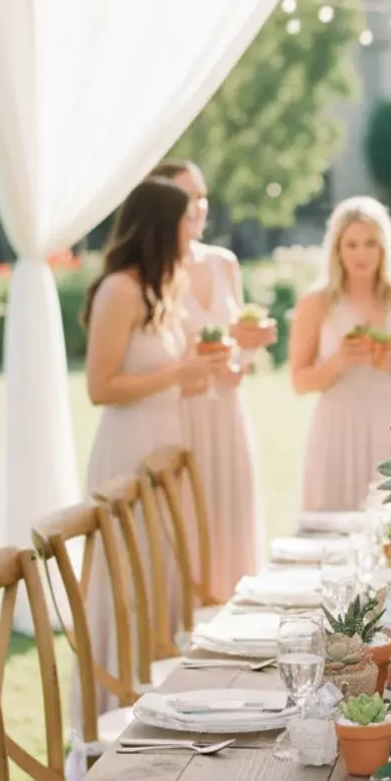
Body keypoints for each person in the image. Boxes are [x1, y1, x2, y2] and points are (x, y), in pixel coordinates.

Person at [78, 178, 221, 722]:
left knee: (161, 576)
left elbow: (166, 379)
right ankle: (110, 710)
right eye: (187, 220)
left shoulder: (163, 287)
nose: (196, 229)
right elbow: (100, 387)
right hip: (127, 451)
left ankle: (158, 708)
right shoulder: (120, 289)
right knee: (123, 584)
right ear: (162, 227)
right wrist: (179, 370)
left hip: (166, 445)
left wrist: (202, 371)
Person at [148, 159, 272, 601]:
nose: (199, 206)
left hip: (228, 415)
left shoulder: (224, 263)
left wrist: (250, 346)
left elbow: (242, 352)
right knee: (183, 530)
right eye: (187, 197)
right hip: (177, 416)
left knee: (231, 524)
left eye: (202, 195)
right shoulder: (148, 270)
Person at [291, 196, 391, 511]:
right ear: (337, 248)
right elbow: (299, 382)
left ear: (384, 247)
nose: (361, 254)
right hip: (335, 425)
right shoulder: (316, 301)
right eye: (351, 244)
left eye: (370, 243)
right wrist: (341, 360)